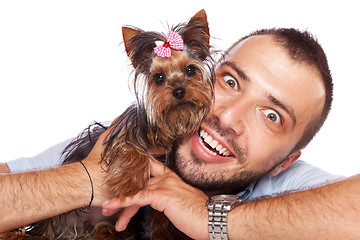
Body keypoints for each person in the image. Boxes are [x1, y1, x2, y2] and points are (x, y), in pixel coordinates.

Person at [0, 28, 341, 238]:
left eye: (271, 115)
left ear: (287, 163)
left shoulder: (290, 190)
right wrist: (87, 181)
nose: (227, 117)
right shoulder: (113, 140)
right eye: (231, 82)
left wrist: (211, 220)